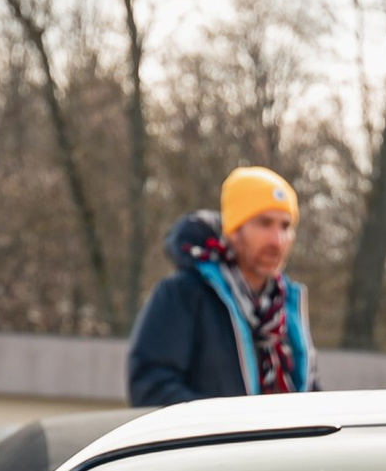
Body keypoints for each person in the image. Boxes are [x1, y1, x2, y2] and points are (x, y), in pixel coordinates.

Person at [127, 168, 317, 410]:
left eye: (285, 226)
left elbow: (310, 391)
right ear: (234, 231)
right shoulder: (183, 293)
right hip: (215, 447)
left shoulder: (287, 303)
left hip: (280, 448)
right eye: (264, 224)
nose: (277, 241)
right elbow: (150, 388)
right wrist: (233, 425)